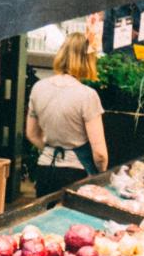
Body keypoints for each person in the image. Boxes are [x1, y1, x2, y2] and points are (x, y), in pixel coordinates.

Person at [26, 32, 108, 191]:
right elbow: (100, 154)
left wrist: (50, 150)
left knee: (47, 215)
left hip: (45, 169)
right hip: (77, 173)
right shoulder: (87, 95)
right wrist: (102, 175)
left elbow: (32, 134)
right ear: (88, 60)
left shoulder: (39, 88)